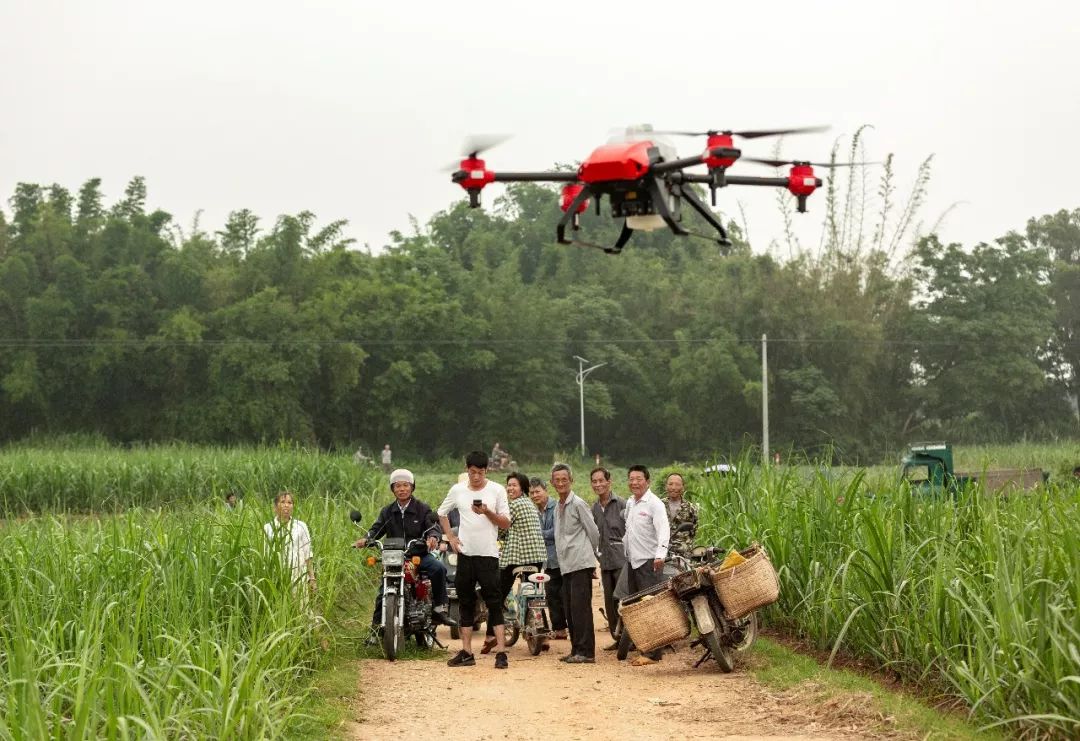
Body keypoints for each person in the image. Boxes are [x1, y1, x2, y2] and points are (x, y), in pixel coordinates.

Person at [354, 468, 456, 643]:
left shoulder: (422, 508)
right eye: (398, 486)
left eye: (405, 485)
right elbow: (376, 529)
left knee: (439, 568)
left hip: (418, 555)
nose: (402, 489)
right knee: (383, 590)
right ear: (392, 489)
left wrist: (433, 537)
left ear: (412, 487)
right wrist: (366, 539)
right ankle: (376, 629)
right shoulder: (387, 511)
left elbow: (433, 526)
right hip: (394, 556)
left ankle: (440, 608)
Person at [438, 451, 512, 669]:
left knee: (494, 603)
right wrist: (450, 537)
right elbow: (441, 513)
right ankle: (467, 651)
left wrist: (487, 512)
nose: (476, 477)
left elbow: (506, 523)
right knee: (465, 603)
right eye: (472, 472)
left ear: (486, 471)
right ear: (466, 470)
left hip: (488, 554)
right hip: (466, 554)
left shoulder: (497, 490)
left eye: (480, 472)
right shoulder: (457, 490)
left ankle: (501, 652)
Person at [481, 471, 546, 653]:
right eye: (508, 485)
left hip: (517, 557)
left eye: (514, 485)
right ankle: (542, 633)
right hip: (538, 555)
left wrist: (494, 533)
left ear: (522, 488)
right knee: (535, 594)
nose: (510, 488)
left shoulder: (513, 505)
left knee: (498, 595)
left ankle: (491, 635)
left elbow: (503, 527)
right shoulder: (530, 504)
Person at [551, 463, 600, 664]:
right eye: (557, 480)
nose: (561, 483)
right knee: (570, 608)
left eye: (565, 479)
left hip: (580, 562)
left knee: (581, 608)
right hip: (566, 564)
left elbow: (594, 532)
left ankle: (586, 652)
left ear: (571, 481)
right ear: (552, 482)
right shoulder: (557, 506)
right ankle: (576, 649)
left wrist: (592, 558)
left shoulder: (578, 503)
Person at [622, 465, 670, 666]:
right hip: (634, 562)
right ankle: (644, 647)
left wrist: (660, 555)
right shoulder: (631, 503)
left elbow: (663, 530)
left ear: (647, 481)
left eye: (638, 479)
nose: (634, 482)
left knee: (651, 608)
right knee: (637, 608)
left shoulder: (654, 504)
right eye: (631, 479)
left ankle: (654, 654)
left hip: (650, 562)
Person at [590, 466, 626, 646]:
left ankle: (631, 638)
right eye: (594, 482)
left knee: (624, 600)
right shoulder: (594, 508)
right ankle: (617, 638)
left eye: (601, 481)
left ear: (608, 482)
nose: (598, 485)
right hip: (604, 561)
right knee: (610, 601)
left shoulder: (622, 504)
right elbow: (592, 535)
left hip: (621, 560)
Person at [529, 476, 568, 640]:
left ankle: (570, 626)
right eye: (531, 493)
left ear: (546, 491)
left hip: (562, 558)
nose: (535, 495)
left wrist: (538, 535)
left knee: (565, 594)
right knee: (551, 594)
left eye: (537, 491)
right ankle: (559, 629)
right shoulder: (535, 510)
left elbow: (557, 532)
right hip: (547, 560)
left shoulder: (556, 507)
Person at [264, 491, 316, 595]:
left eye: (290, 502)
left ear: (293, 506)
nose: (286, 505)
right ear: (275, 507)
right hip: (276, 579)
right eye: (282, 502)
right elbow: (266, 555)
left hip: (298, 578)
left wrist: (312, 578)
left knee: (301, 609)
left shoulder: (301, 526)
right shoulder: (268, 528)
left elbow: (308, 554)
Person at [664, 472, 699, 559]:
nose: (674, 488)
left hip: (683, 554)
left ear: (683, 487)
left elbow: (693, 531)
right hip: (661, 553)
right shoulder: (658, 505)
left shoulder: (691, 508)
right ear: (666, 486)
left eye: (677, 484)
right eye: (670, 484)